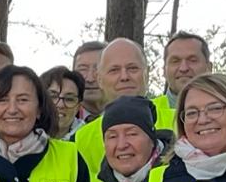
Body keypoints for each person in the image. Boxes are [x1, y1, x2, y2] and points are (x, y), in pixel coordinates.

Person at [73, 38, 177, 169]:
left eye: (132, 68)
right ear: (99, 79)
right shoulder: (82, 139)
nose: (124, 77)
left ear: (147, 74)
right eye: (114, 70)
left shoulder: (179, 122)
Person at [161, 32, 212, 110]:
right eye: (175, 61)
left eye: (192, 60)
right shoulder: (147, 112)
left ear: (209, 68)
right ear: (164, 70)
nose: (183, 68)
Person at [40, 65, 85, 139]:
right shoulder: (22, 137)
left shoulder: (91, 138)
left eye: (69, 99)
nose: (60, 105)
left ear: (78, 107)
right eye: (53, 96)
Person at [71, 40, 105, 127]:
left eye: (98, 68)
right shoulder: (58, 120)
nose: (90, 79)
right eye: (83, 69)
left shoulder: (129, 116)